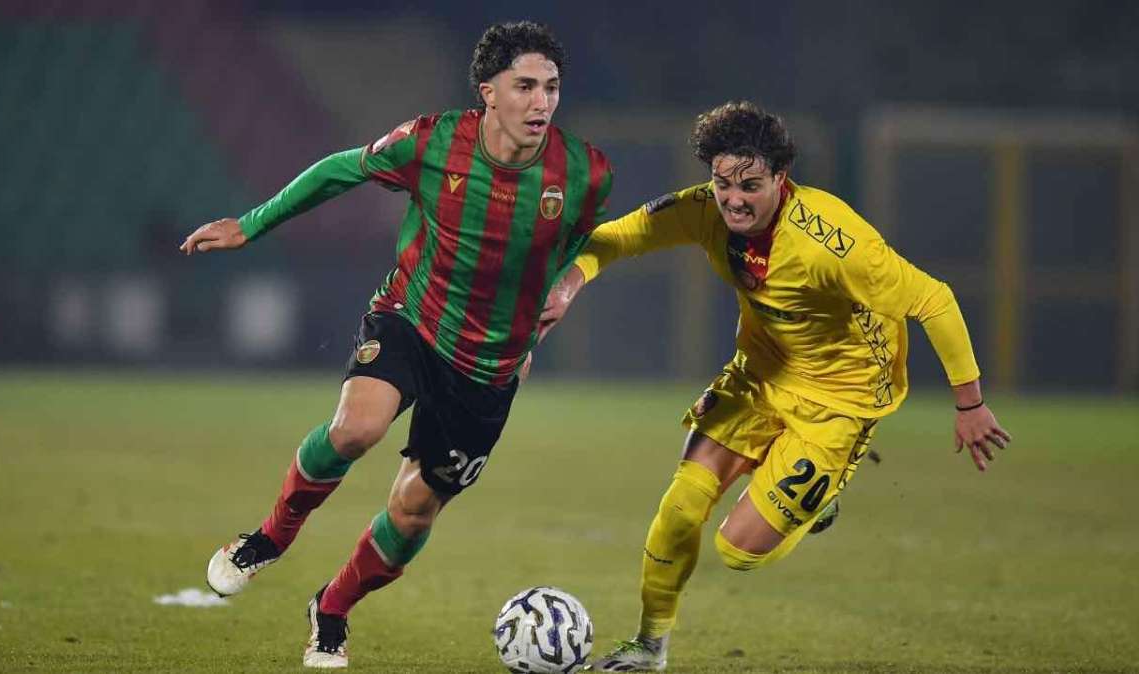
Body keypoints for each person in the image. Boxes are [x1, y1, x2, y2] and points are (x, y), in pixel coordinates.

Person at [179, 21, 612, 669]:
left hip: (489, 365)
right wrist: (250, 225)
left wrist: (567, 285)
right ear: (488, 92)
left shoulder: (585, 172)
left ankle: (332, 608)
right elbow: (340, 170)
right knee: (357, 428)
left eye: (551, 87)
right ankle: (270, 537)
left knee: (412, 512)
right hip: (414, 318)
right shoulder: (431, 143)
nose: (541, 102)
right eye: (524, 86)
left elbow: (585, 239)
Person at [539, 101, 1011, 672]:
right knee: (681, 505)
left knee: (737, 551)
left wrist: (970, 404)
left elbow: (934, 299)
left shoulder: (835, 244)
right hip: (761, 374)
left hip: (841, 398)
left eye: (750, 186)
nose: (733, 199)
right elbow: (621, 236)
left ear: (780, 178)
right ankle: (649, 645)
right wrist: (567, 287)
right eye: (723, 183)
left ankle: (820, 497)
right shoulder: (705, 209)